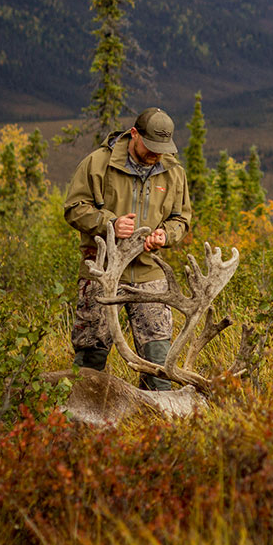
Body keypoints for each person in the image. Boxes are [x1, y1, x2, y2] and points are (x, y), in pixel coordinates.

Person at [63, 107, 191, 391]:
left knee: (159, 360)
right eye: (150, 146)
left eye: (162, 148)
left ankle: (155, 424)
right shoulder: (98, 164)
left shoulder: (173, 172)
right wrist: (109, 223)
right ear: (134, 134)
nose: (156, 154)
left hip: (149, 273)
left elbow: (181, 219)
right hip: (103, 271)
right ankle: (79, 424)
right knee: (90, 356)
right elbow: (73, 209)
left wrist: (164, 235)